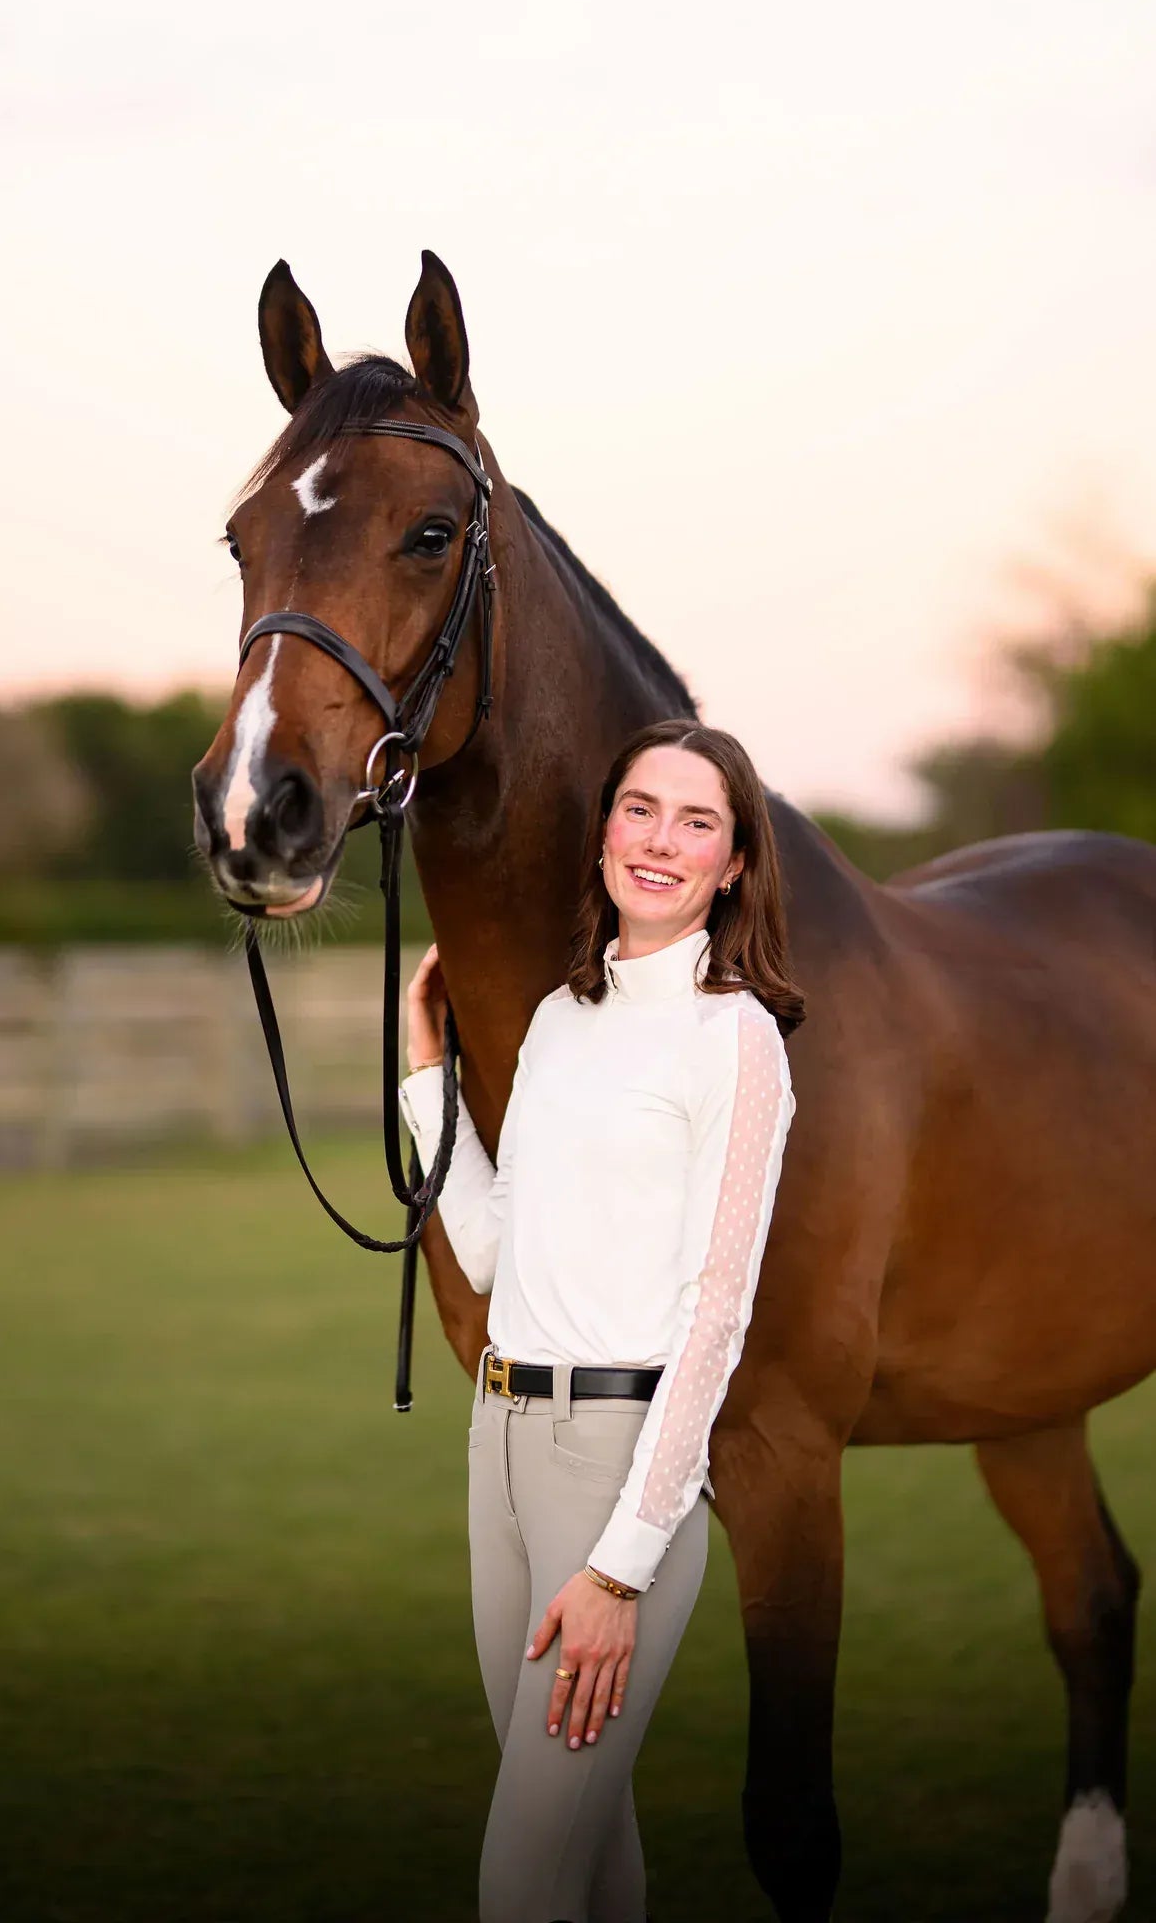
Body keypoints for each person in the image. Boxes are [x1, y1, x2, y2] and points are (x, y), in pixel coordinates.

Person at [399, 718, 805, 1923]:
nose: (661, 840)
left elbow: (716, 1316)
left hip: (617, 1469)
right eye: (640, 808)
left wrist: (620, 1568)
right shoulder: (558, 1020)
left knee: (520, 1878)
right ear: (603, 833)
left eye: (697, 821)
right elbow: (487, 1246)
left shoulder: (733, 1038)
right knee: (587, 1845)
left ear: (733, 864)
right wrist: (425, 1071)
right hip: (499, 1447)